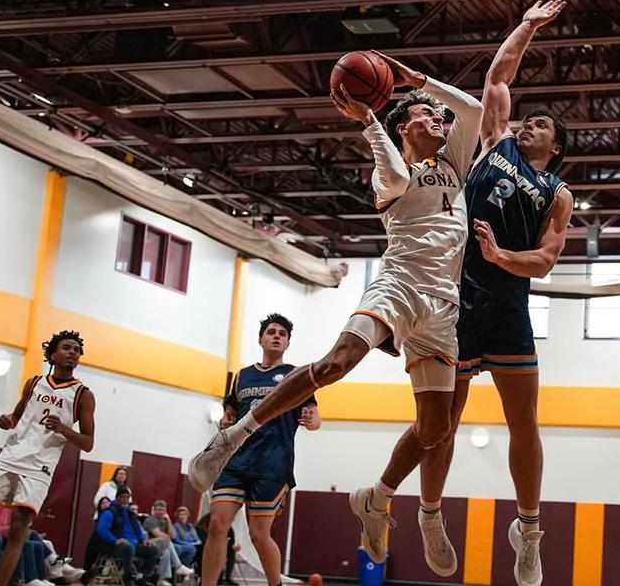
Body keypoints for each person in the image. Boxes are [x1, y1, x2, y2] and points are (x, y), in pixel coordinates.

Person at [189, 52, 483, 578]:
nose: (440, 119)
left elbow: (475, 109)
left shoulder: (454, 164)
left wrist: (420, 82)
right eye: (425, 114)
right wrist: (370, 121)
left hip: (443, 309)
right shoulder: (390, 172)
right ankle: (233, 437)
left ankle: (377, 497)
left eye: (439, 116)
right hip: (399, 287)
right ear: (402, 126)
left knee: (436, 430)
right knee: (334, 364)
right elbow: (393, 168)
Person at [421, 0, 572, 586]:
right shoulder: (494, 142)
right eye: (527, 120)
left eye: (541, 126)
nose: (527, 123)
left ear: (554, 146)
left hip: (507, 305)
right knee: (442, 424)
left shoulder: (555, 192)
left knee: (525, 424)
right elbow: (498, 76)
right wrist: (529, 25)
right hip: (457, 299)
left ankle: (528, 531)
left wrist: (501, 255)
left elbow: (547, 259)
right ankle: (431, 516)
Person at [195, 314, 321, 586]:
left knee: (258, 534)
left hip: (273, 462)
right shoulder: (242, 376)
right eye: (272, 332)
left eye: (282, 334)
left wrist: (312, 420)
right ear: (261, 339)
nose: (277, 336)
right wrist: (226, 420)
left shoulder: (295, 375)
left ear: (287, 343)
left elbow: (315, 416)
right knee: (217, 524)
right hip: (236, 459)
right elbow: (229, 413)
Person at [0, 330, 96, 586]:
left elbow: (88, 443)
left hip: (39, 468)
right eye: (67, 348)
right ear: (53, 354)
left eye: (77, 351)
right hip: (11, 456)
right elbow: (16, 417)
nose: (73, 353)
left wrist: (64, 429)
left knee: (17, 531)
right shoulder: (34, 382)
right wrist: (7, 421)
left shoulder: (83, 394)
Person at [87, 488, 159, 586]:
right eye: (123, 497)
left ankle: (141, 577)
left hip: (134, 543)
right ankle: (128, 577)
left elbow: (137, 529)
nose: (125, 499)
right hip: (114, 545)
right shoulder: (109, 512)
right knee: (128, 548)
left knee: (153, 549)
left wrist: (144, 540)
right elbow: (102, 530)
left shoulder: (130, 513)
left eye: (127, 497)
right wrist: (115, 540)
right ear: (117, 498)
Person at [143, 501, 194, 584]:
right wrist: (167, 537)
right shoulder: (150, 521)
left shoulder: (165, 520)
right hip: (151, 544)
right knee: (170, 544)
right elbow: (160, 535)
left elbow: (173, 536)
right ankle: (178, 567)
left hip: (164, 545)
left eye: (163, 510)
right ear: (154, 510)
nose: (161, 512)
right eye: (158, 510)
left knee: (185, 549)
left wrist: (169, 520)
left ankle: (163, 579)